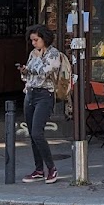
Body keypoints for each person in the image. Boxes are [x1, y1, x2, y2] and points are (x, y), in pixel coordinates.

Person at [19, 24, 63, 184]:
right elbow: (29, 74)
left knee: (38, 132)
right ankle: (38, 169)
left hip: (45, 95)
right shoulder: (33, 53)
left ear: (44, 39)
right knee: (32, 134)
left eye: (36, 40)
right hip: (30, 93)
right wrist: (24, 71)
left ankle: (51, 168)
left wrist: (32, 65)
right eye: (32, 40)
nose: (33, 43)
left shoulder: (53, 54)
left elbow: (44, 70)